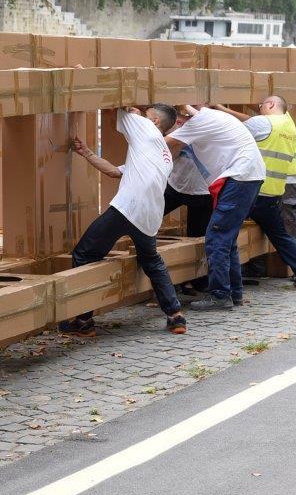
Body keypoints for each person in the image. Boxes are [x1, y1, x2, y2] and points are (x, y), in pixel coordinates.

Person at [58, 105, 188, 337]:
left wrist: (127, 107)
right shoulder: (162, 154)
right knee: (151, 261)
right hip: (149, 216)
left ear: (155, 121)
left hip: (128, 207)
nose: (139, 116)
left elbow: (113, 101)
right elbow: (115, 172)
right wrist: (87, 152)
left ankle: (84, 321)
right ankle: (175, 315)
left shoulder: (145, 127)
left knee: (84, 254)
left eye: (147, 114)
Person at [208, 98, 296, 289]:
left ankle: (226, 286)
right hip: (273, 191)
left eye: (260, 107)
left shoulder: (263, 122)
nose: (258, 111)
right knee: (280, 234)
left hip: (251, 189)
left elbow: (230, 131)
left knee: (225, 231)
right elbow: (252, 122)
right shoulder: (287, 123)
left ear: (270, 105)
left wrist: (207, 114)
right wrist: (222, 107)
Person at [163, 105, 265, 311]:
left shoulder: (199, 123)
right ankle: (234, 292)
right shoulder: (210, 116)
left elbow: (163, 144)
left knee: (217, 237)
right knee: (227, 238)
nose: (178, 124)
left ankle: (220, 294)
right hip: (247, 176)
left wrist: (143, 128)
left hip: (240, 177)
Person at [163, 115, 213, 292]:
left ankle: (196, 280)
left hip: (203, 191)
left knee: (197, 237)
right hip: (176, 184)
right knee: (148, 218)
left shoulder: (210, 121)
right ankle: (176, 279)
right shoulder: (173, 121)